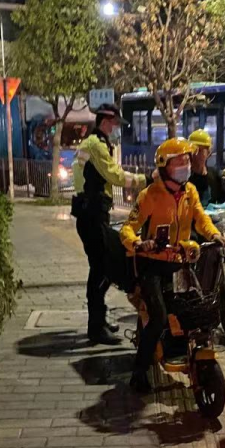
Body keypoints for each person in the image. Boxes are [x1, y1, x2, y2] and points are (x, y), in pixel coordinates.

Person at [120, 138, 223, 392]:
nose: (185, 165)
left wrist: (214, 235)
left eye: (187, 160)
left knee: (196, 309)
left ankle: (186, 352)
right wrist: (138, 244)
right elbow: (127, 228)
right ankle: (139, 371)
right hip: (152, 265)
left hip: (179, 263)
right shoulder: (150, 195)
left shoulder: (190, 192)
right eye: (179, 161)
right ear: (164, 165)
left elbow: (201, 219)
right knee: (158, 317)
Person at [72, 103, 149, 345]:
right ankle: (96, 328)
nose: (116, 129)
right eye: (115, 124)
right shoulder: (96, 145)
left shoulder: (92, 143)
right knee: (101, 269)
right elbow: (114, 176)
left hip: (91, 212)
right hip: (92, 214)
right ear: (106, 122)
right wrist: (145, 180)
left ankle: (99, 321)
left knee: (102, 267)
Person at [187, 129, 225, 213]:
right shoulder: (184, 178)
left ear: (208, 153)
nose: (195, 155)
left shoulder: (214, 176)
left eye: (199, 151)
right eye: (193, 151)